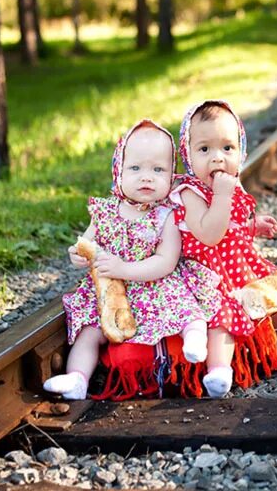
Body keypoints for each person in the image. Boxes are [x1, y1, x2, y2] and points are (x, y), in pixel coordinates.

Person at [43, 120, 221, 400]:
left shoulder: (167, 215)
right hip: (111, 292)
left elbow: (166, 261)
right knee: (89, 333)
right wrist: (77, 255)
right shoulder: (105, 211)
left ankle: (195, 340)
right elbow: (87, 244)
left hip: (156, 286)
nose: (146, 177)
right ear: (119, 171)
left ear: (171, 176)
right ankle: (77, 378)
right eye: (136, 168)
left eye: (158, 169)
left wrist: (125, 268)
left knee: (189, 311)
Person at [171, 99, 277, 398]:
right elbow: (210, 235)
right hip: (209, 276)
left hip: (242, 266)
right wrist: (222, 195)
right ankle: (219, 371)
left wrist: (253, 227)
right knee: (224, 317)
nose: (217, 159)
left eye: (227, 148)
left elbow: (232, 228)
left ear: (240, 151)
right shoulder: (189, 192)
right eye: (204, 150)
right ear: (187, 155)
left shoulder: (231, 183)